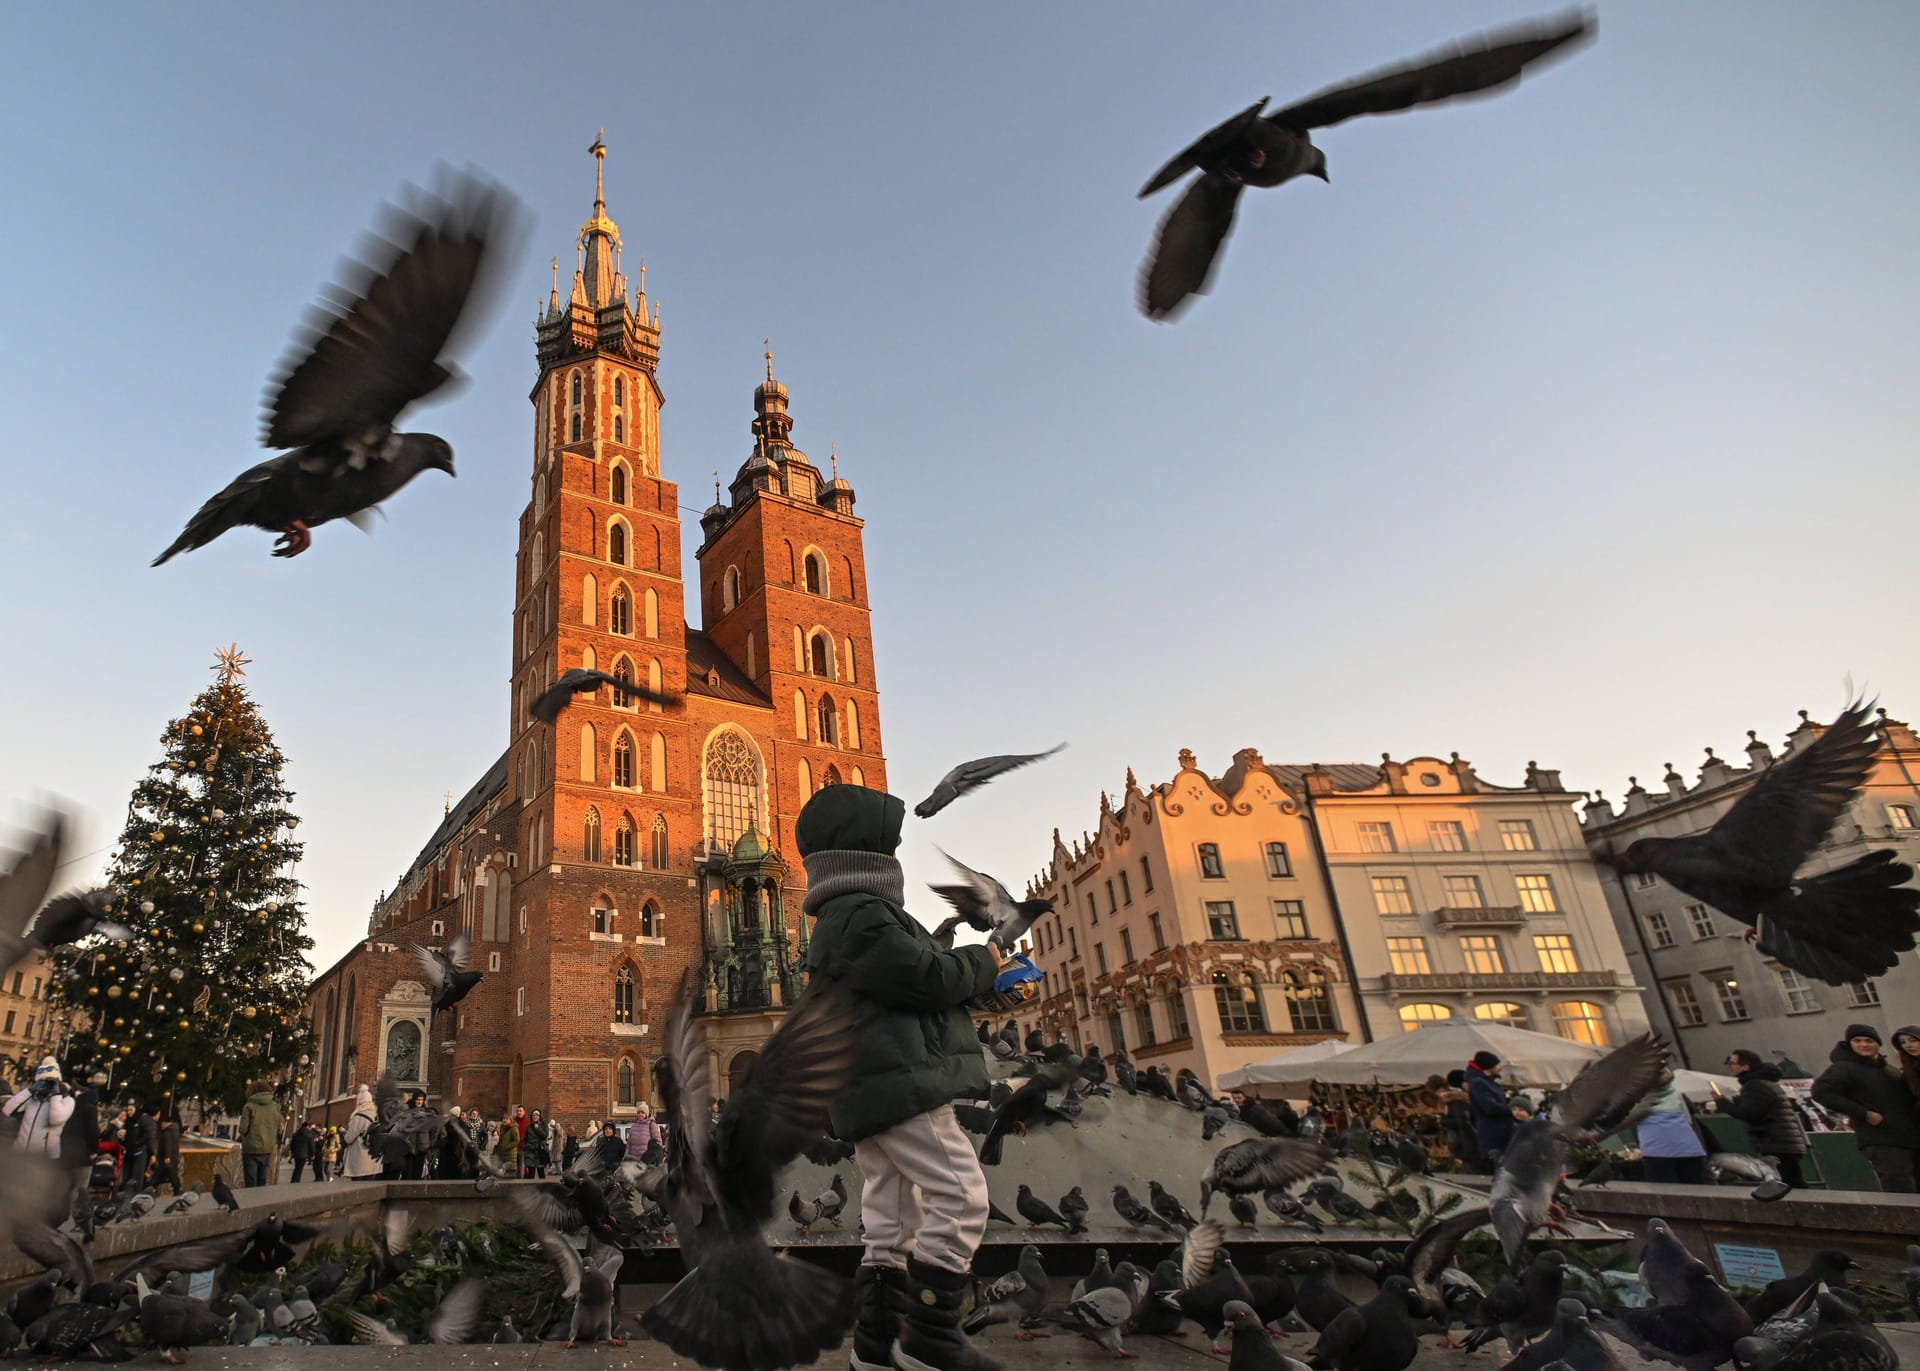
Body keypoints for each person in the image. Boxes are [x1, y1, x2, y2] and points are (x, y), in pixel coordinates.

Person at [798, 783, 1009, 1371]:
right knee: (961, 1196)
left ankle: (876, 1344)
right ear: (868, 856)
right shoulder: (862, 914)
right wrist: (985, 965)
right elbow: (922, 976)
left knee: (891, 1218)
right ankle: (930, 1339)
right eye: (887, 847)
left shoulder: (844, 915)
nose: (896, 857)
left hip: (873, 1085)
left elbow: (900, 987)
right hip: (899, 1084)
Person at [1813, 1024, 1920, 1193]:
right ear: (1850, 1044)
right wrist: (1864, 1114)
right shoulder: (1843, 1067)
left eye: (1869, 1040)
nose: (1864, 1045)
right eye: (1857, 1041)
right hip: (1882, 1139)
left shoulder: (1889, 1070)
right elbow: (1822, 1092)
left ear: (1878, 1043)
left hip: (1908, 1138)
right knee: (1901, 1188)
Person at [1709, 1049, 1810, 1189]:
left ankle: (1802, 1207)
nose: (1729, 1066)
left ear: (1745, 1066)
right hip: (1783, 1140)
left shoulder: (1755, 1085)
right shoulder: (1764, 1083)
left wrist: (1722, 1102)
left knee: (1788, 1183)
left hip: (1776, 1141)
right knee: (1790, 1181)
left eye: (1732, 1063)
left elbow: (1749, 1113)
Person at [1637, 1067, 1709, 1184]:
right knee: (1694, 1190)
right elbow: (1688, 1120)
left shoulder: (1639, 1098)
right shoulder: (1676, 1093)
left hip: (1657, 1150)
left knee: (1665, 1192)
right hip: (1689, 1148)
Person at [1465, 1051, 1525, 1170]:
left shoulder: (1487, 1081)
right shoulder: (1478, 1083)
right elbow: (1489, 1107)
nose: (1500, 1068)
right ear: (1488, 1067)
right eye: (1497, 1065)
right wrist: (1512, 1111)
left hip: (1500, 1132)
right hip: (1493, 1135)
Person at [237, 1082, 283, 1189]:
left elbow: (243, 1129)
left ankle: (251, 1203)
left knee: (250, 1180)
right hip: (267, 1147)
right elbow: (280, 1125)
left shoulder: (249, 1106)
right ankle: (260, 1201)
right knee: (262, 1180)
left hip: (251, 1148)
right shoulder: (275, 1106)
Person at [341, 1085, 381, 1180]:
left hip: (360, 1156)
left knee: (357, 1185)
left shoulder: (358, 1116)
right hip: (374, 1155)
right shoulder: (377, 1115)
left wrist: (344, 1135)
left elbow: (349, 1138)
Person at [1228, 1090, 1293, 1138]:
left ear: (1245, 1098)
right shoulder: (1245, 1109)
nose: (1236, 1100)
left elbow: (1268, 1122)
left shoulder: (1252, 1109)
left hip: (1277, 1135)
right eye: (1234, 1098)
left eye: (1239, 1098)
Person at [152, 1109, 183, 1196]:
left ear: (166, 1123)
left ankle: (150, 1187)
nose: (161, 1125)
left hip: (166, 1158)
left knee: (161, 1175)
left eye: (162, 1123)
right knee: (170, 1175)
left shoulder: (167, 1133)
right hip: (173, 1157)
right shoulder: (175, 1131)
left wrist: (167, 1156)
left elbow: (168, 1145)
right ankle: (177, 1189)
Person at [287, 1118, 316, 1183]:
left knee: (296, 1167)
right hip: (304, 1153)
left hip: (296, 1153)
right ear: (307, 1126)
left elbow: (292, 1144)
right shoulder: (309, 1134)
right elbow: (311, 1145)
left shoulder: (296, 1134)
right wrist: (312, 1154)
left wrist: (293, 1151)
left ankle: (293, 1179)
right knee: (300, 1168)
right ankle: (297, 1179)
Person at [493, 1109, 520, 1174]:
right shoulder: (503, 1128)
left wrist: (506, 1147)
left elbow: (516, 1141)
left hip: (510, 1155)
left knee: (510, 1173)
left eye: (507, 1119)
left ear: (511, 1120)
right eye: (503, 1119)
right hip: (503, 1155)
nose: (504, 1120)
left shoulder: (513, 1128)